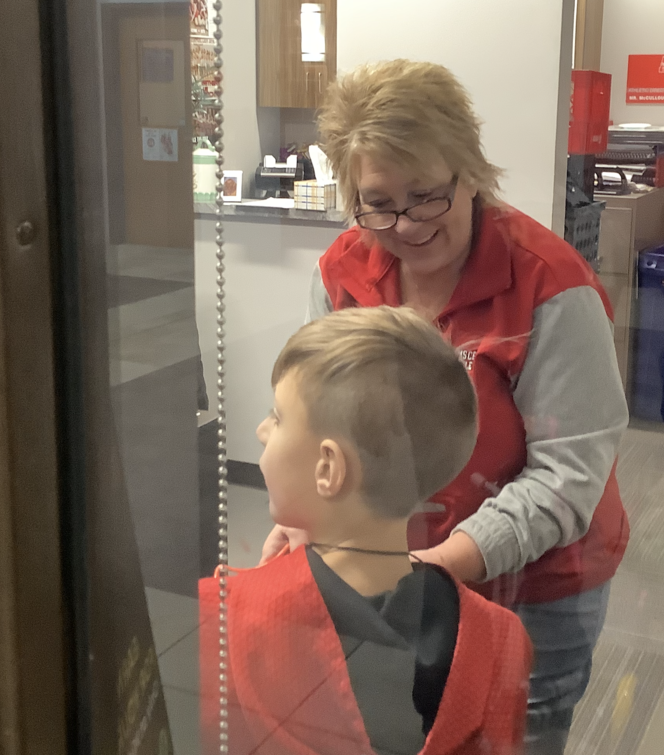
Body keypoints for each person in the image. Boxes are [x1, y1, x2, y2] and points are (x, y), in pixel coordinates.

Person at [262, 60, 630, 754]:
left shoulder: (551, 286)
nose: (404, 224)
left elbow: (566, 477)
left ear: (470, 171)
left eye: (426, 195)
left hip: (535, 587)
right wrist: (309, 522)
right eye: (377, 202)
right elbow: (321, 427)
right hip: (396, 571)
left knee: (514, 737)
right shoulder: (342, 272)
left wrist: (435, 568)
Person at [199, 306, 532, 755]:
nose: (261, 430)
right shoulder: (501, 641)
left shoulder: (218, 619)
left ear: (328, 468)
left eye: (277, 417)